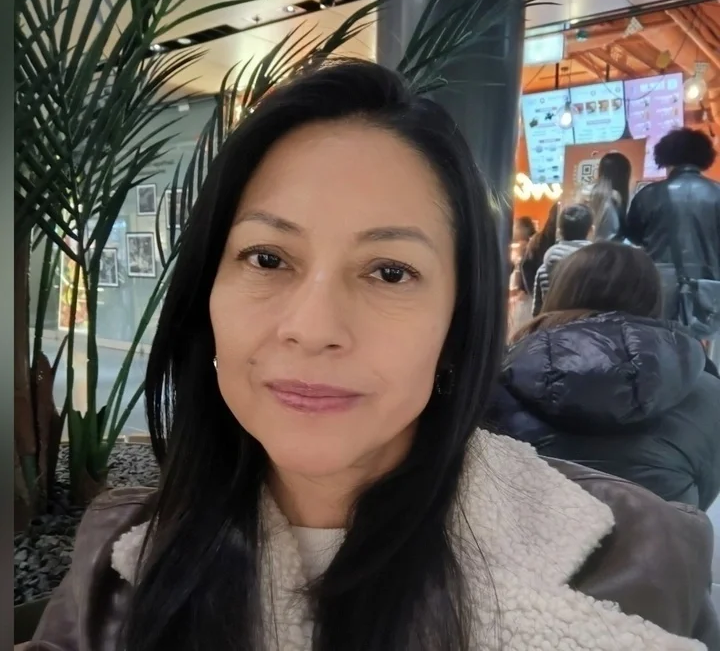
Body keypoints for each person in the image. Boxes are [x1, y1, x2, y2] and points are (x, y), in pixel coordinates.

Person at [28, 62, 718, 651]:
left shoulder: (638, 565)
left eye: (389, 272)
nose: (312, 328)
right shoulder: (117, 564)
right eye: (267, 258)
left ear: (458, 322)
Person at [493, 241, 720, 514]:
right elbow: (699, 504)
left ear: (559, 292)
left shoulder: (505, 374)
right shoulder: (707, 393)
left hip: (522, 536)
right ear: (655, 299)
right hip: (657, 539)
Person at [626, 128, 720, 356]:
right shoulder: (717, 193)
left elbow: (634, 236)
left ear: (665, 157)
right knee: (704, 354)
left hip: (660, 286)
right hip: (710, 287)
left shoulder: (648, 195)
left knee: (662, 353)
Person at [532, 203, 593, 315]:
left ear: (559, 231)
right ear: (591, 231)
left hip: (553, 324)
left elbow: (537, 312)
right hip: (589, 325)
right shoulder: (600, 265)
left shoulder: (544, 269)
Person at [586, 151, 632, 242]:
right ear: (624, 176)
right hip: (607, 248)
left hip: (585, 248)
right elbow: (612, 234)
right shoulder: (615, 198)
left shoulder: (586, 193)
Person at [519, 201, 559, 296]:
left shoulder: (537, 240)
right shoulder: (538, 240)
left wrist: (534, 294)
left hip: (542, 295)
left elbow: (526, 266)